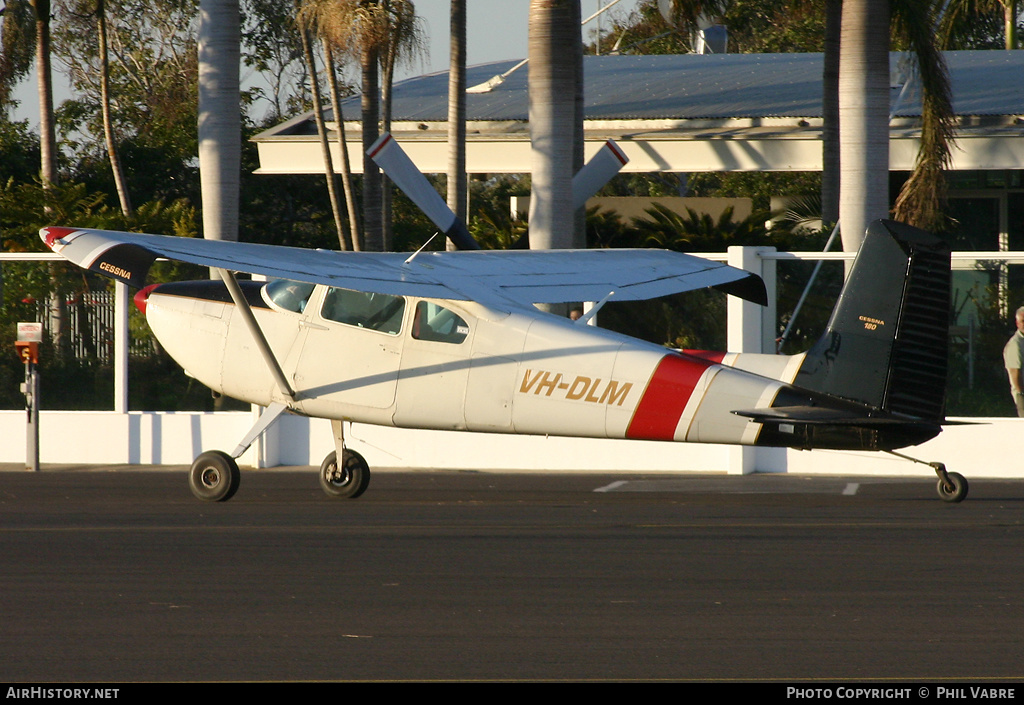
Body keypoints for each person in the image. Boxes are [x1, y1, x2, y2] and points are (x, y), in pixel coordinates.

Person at [1002, 306, 1024, 417]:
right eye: (1023, 321)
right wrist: (1022, 395)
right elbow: (1015, 373)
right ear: (1017, 323)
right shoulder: (1015, 344)